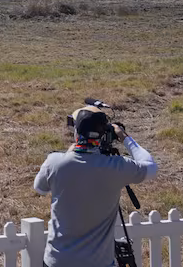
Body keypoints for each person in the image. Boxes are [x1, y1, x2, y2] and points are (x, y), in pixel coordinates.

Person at [34, 105, 158, 267]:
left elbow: (40, 188)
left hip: (58, 261)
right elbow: (151, 167)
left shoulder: (55, 162)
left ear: (77, 133)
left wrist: (73, 149)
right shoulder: (116, 167)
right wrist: (124, 137)